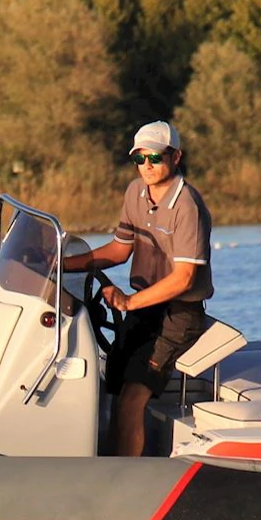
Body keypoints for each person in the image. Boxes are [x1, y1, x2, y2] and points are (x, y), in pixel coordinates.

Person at [64, 121, 214, 456]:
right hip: (144, 309)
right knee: (113, 386)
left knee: (133, 397)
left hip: (179, 315)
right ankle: (106, 465)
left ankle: (125, 476)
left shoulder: (187, 206)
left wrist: (129, 302)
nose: (147, 165)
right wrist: (61, 264)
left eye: (155, 157)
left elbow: (184, 278)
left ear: (176, 157)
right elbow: (119, 250)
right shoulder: (135, 192)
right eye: (139, 158)